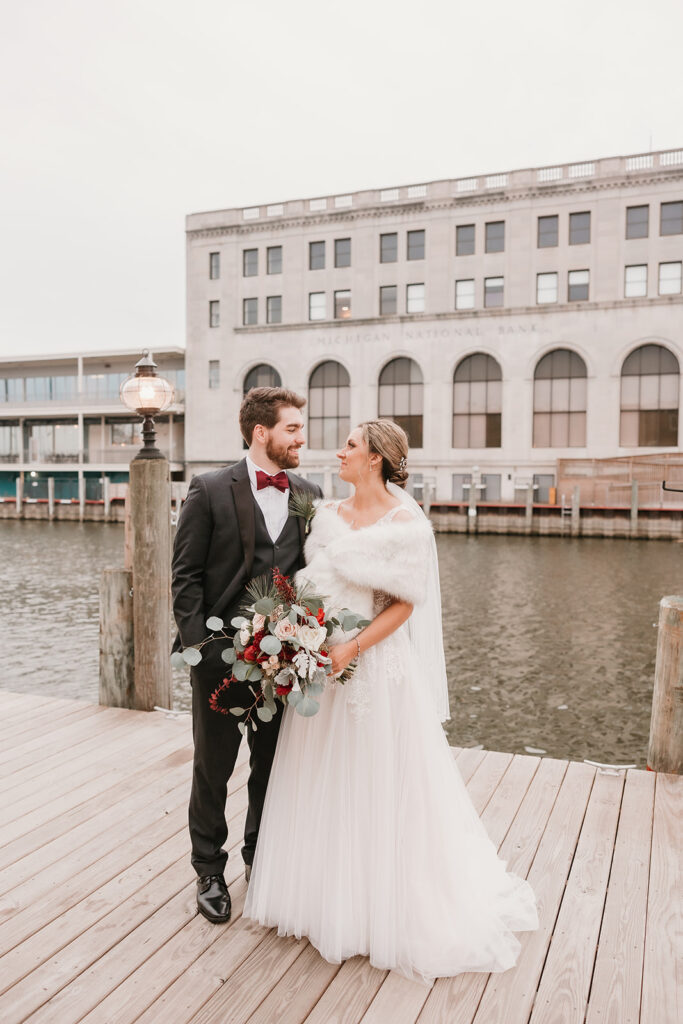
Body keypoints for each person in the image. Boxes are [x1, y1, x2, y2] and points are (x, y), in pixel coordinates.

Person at [243, 419, 538, 982]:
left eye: (350, 445)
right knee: (321, 780)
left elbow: (403, 607)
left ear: (375, 458)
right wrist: (294, 636)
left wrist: (351, 647)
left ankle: (381, 907)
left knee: (378, 782)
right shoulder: (326, 517)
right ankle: (324, 899)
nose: (339, 452)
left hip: (375, 668)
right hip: (321, 670)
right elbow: (312, 588)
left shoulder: (405, 525)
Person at [171, 387, 322, 925]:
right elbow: (185, 576)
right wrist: (201, 648)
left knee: (272, 767)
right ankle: (209, 868)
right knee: (213, 768)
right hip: (219, 660)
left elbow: (310, 573)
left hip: (284, 663)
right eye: (293, 429)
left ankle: (260, 859)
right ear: (262, 433)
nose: (302, 437)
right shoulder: (210, 488)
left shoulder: (308, 492)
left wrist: (307, 639)